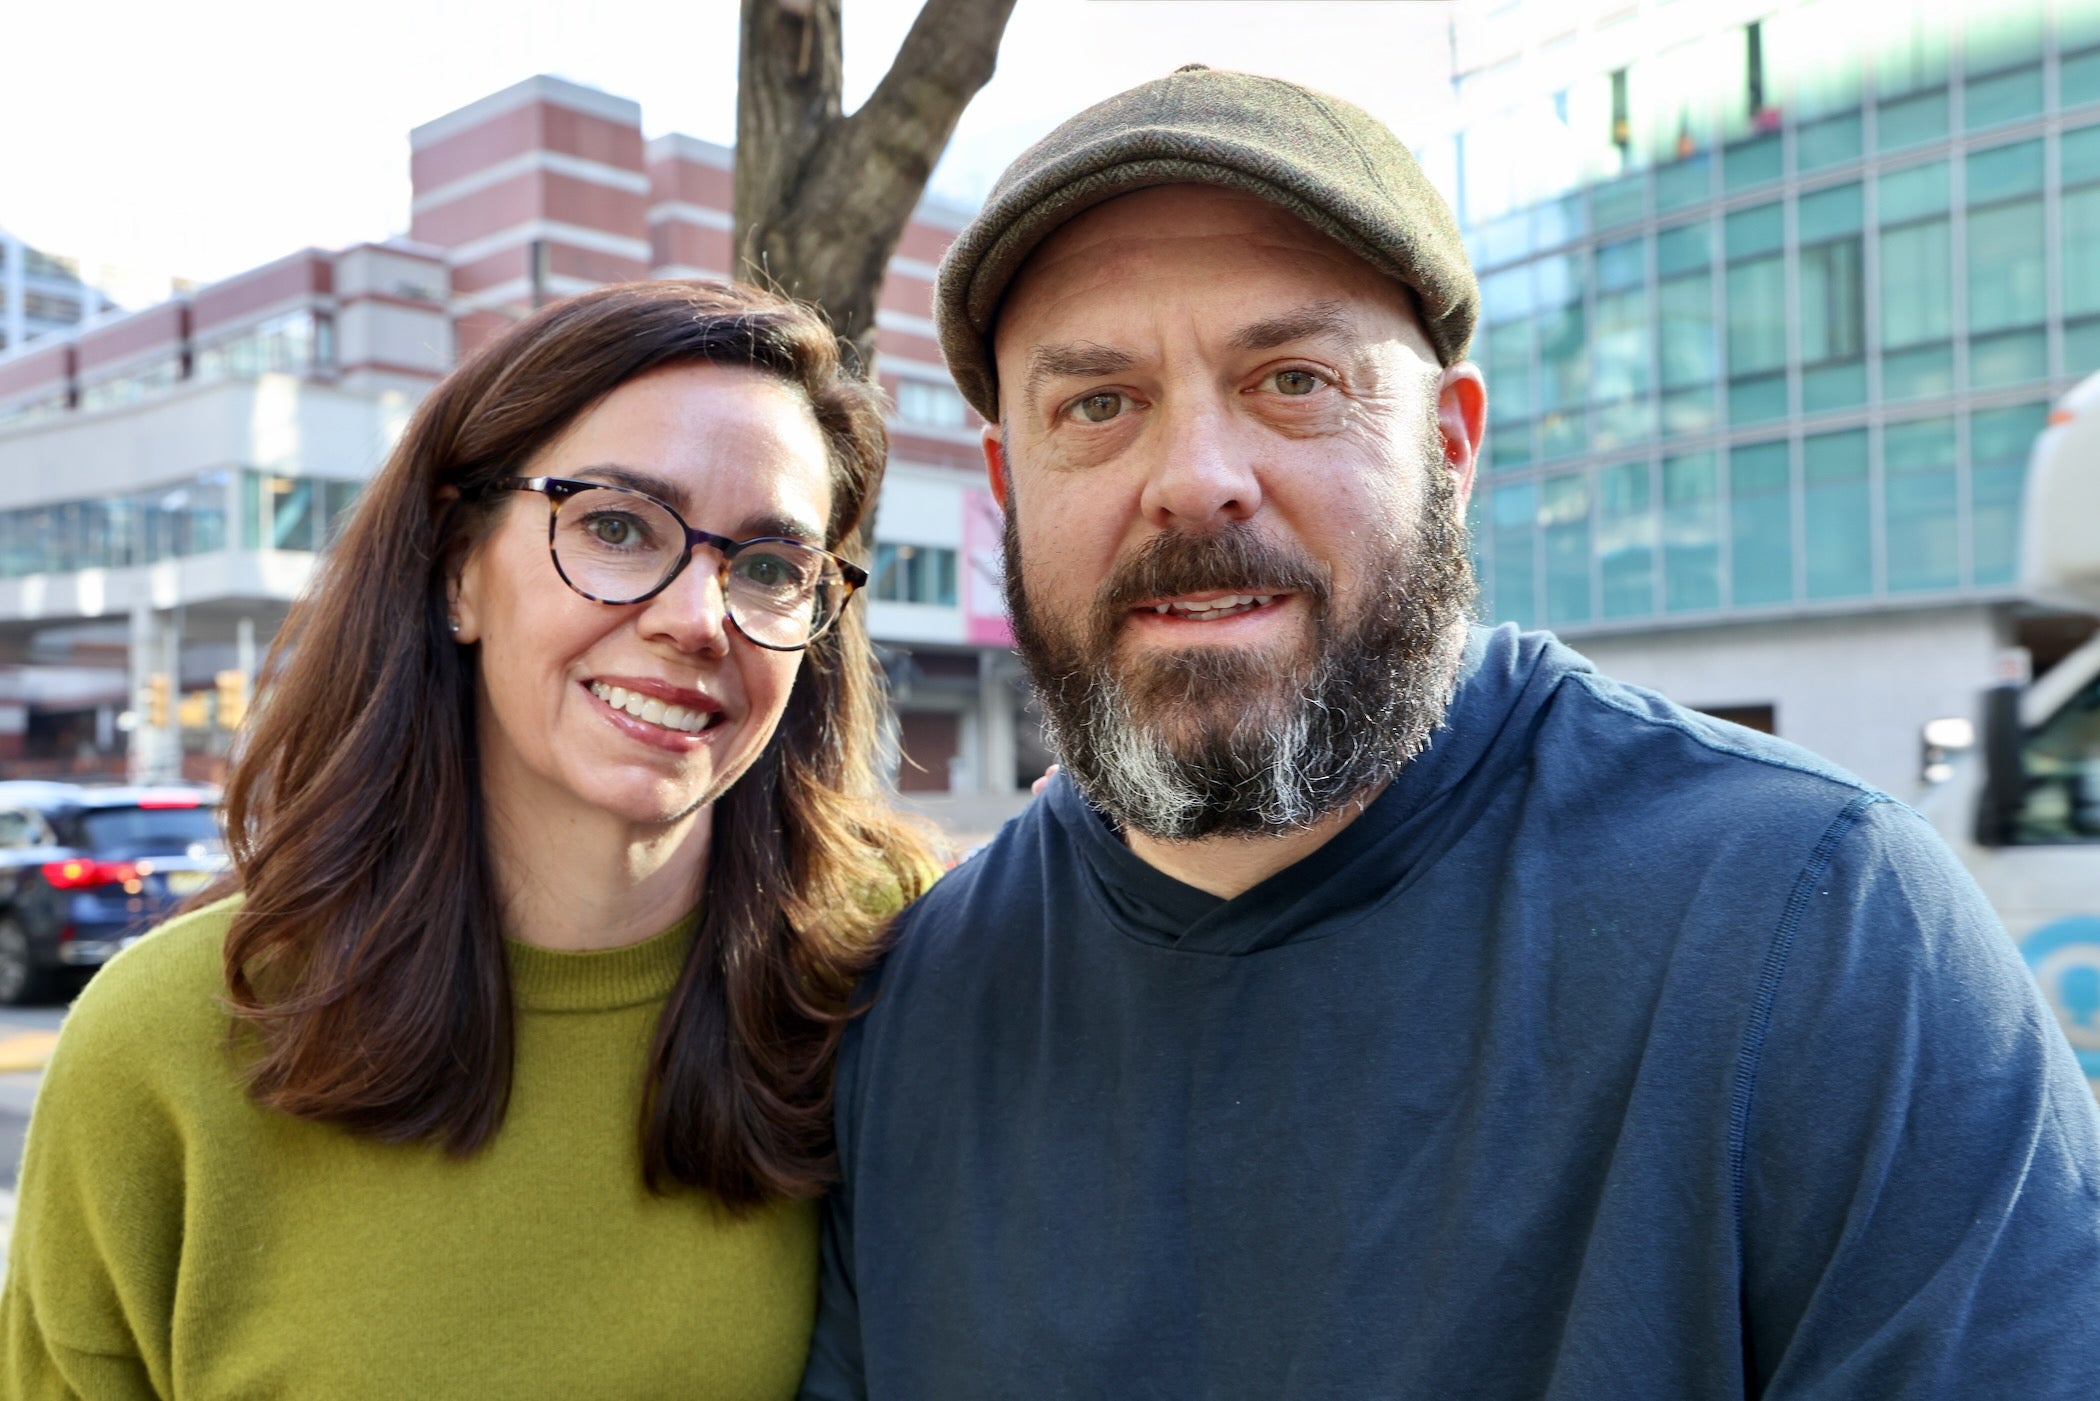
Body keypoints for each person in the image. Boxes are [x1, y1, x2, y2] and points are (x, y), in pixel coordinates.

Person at [798, 66, 2100, 1399]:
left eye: (1293, 378)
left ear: (1451, 446)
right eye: (1097, 403)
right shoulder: (908, 1014)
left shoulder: (1822, 937)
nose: (1192, 477)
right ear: (1009, 485)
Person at [2, 281, 935, 1398]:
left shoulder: (891, 970)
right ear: (457, 568)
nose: (697, 618)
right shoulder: (162, 1048)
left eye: (772, 568)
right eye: (617, 526)